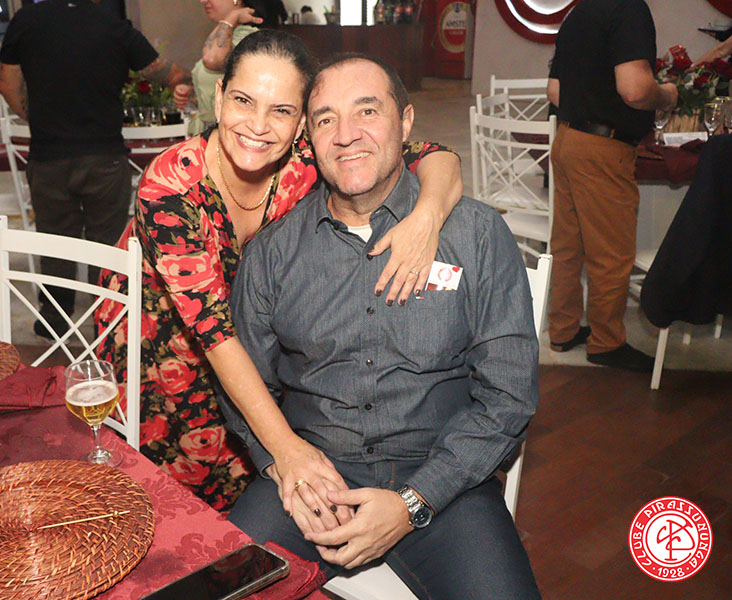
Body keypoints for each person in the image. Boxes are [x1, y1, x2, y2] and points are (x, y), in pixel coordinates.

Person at [95, 30, 462, 511]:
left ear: (302, 123)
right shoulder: (170, 186)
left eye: (282, 111)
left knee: (245, 508)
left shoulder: (306, 159)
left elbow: (433, 155)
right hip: (162, 348)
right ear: (219, 97)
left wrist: (427, 216)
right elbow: (212, 333)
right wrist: (287, 448)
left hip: (248, 343)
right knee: (164, 508)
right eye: (243, 101)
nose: (258, 126)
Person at [224, 54, 541, 599]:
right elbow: (244, 388)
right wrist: (283, 466)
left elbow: (509, 395)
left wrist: (414, 501)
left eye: (367, 111)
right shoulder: (273, 252)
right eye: (325, 119)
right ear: (309, 138)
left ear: (407, 122)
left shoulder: (476, 236)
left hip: (446, 482)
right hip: (313, 480)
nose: (346, 134)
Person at [0, 0, 189, 337]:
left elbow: (7, 85)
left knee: (54, 242)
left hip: (48, 156)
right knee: (106, 246)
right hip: (104, 157)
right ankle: (108, 324)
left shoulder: (25, 21)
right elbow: (167, 73)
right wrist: (182, 83)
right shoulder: (112, 26)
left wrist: (36, 118)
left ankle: (55, 322)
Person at [546, 0, 677, 371]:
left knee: (568, 246)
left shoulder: (579, 12)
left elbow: (554, 91)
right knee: (611, 253)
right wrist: (667, 95)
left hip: (568, 138)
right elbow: (635, 90)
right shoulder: (629, 9)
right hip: (604, 146)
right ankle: (606, 342)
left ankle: (563, 330)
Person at [174, 0, 288, 135]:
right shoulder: (230, 34)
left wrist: (231, 18)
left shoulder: (247, 36)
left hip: (227, 135)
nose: (203, 1)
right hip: (209, 132)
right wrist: (194, 94)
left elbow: (212, 59)